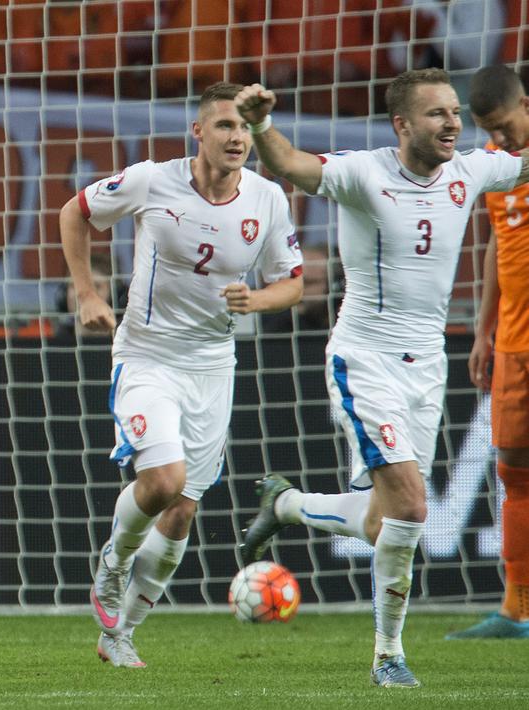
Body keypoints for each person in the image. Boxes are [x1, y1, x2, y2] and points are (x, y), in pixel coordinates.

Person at [235, 68, 529, 687]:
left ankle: (285, 503)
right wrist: (261, 124)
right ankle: (389, 657)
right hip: (364, 360)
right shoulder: (363, 173)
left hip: (427, 368)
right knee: (413, 505)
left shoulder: (471, 171)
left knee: (385, 520)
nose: (452, 123)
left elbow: (523, 161)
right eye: (436, 114)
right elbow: (290, 164)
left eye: (455, 113)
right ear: (402, 125)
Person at [60, 82, 303, 669]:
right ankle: (113, 564)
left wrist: (259, 302)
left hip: (213, 366)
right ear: (198, 132)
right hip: (147, 357)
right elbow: (75, 212)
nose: (236, 137)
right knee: (164, 479)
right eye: (224, 125)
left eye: (244, 128)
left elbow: (291, 282)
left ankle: (121, 635)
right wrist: (87, 292)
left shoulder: (267, 199)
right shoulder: (150, 180)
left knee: (183, 510)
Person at [448, 63, 529, 640]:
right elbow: (501, 243)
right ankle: (516, 609)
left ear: (525, 102)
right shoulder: (495, 165)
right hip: (514, 342)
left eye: (503, 126)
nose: (498, 139)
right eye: (488, 130)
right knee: (513, 472)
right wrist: (482, 332)